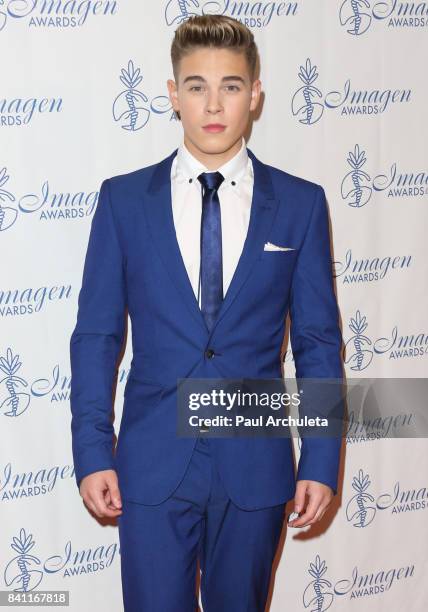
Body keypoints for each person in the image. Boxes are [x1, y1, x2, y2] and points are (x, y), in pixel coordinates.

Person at [69, 14, 344, 612]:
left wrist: (321, 458)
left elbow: (319, 344)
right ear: (173, 94)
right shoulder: (123, 202)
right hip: (150, 462)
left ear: (256, 95)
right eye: (196, 86)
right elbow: (96, 337)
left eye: (231, 86)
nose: (213, 104)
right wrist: (93, 452)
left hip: (256, 465)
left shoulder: (300, 204)